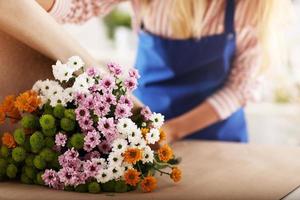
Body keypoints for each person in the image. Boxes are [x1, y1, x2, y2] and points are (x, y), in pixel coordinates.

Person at [1, 0, 291, 143]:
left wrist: (173, 130)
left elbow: (241, 86)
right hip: (145, 124)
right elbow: (81, 5)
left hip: (217, 134)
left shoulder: (254, 5)